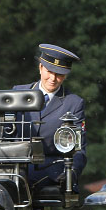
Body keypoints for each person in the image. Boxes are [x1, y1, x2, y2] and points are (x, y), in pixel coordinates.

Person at [14, 44, 87, 186]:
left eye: (59, 74)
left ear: (66, 75)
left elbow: (79, 149)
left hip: (51, 171)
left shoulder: (74, 103)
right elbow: (6, 133)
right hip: (15, 165)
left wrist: (72, 172)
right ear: (40, 68)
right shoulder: (18, 93)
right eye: (49, 71)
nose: (53, 78)